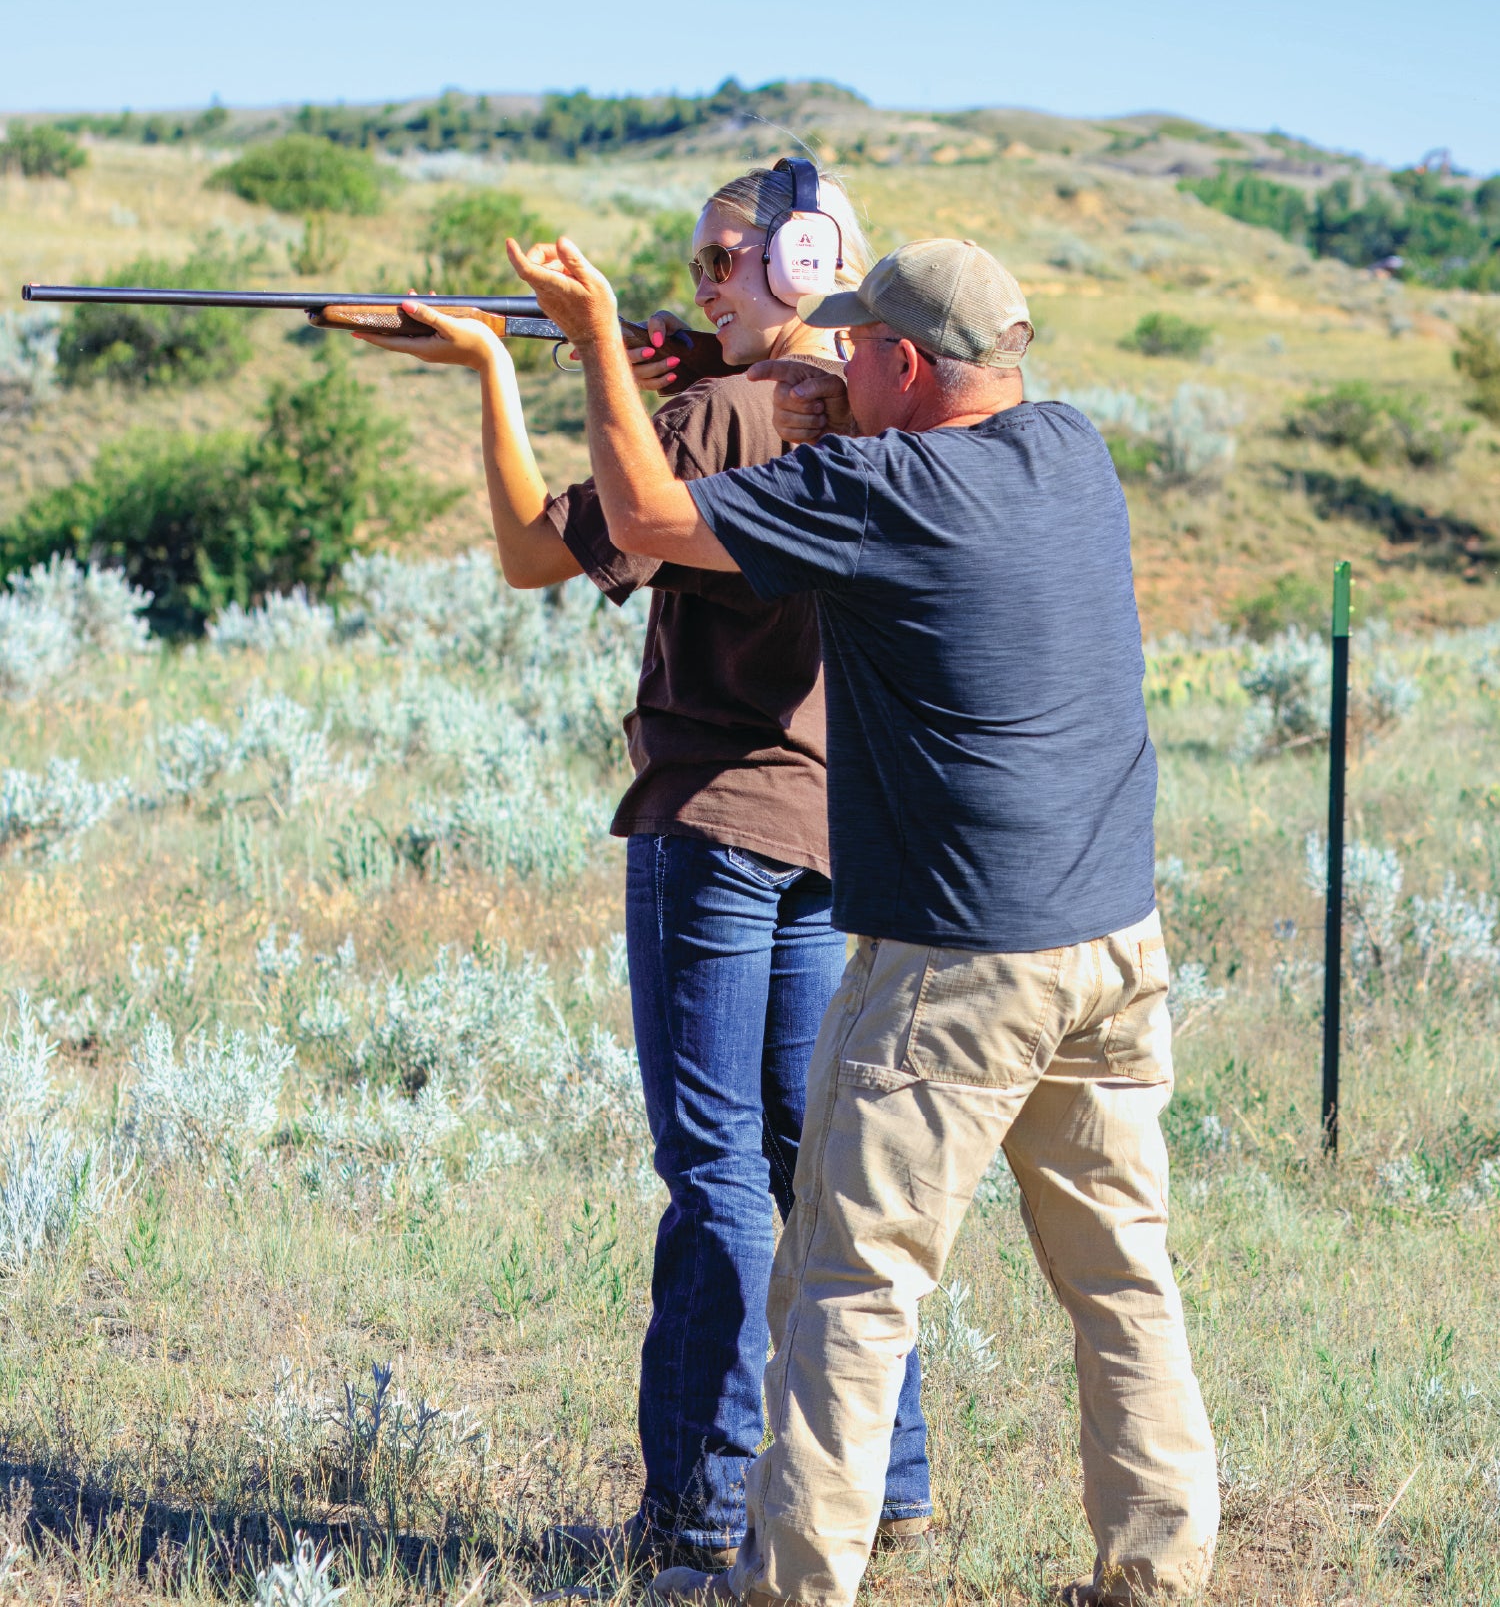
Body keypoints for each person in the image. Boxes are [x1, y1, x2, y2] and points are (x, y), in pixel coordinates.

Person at [503, 230, 1221, 1607]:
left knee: (847, 1283)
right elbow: (892, 435)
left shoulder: (880, 488)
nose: (827, 361)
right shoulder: (1073, 449)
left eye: (854, 348)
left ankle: (784, 1587)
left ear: (897, 362)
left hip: (962, 960)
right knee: (1123, 1280)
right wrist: (776, 383)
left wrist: (596, 340)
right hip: (1115, 941)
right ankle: (1158, 1571)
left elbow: (649, 527)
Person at [350, 168, 931, 1578]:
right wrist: (652, 353)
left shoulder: (711, 420)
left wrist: (495, 367)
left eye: (729, 260)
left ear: (806, 265)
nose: (713, 283)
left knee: (715, 1176)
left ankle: (705, 1506)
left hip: (717, 821)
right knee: (818, 1171)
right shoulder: (867, 424)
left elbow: (525, 554)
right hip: (827, 833)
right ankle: (888, 1476)